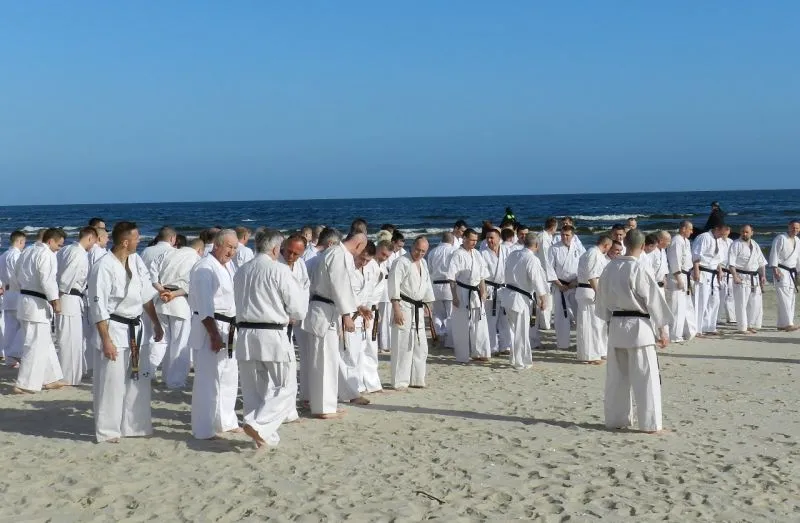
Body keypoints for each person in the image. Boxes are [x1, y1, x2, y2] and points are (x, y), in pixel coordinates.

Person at [88, 221, 163, 443]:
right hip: (113, 328)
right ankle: (107, 430)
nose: (140, 241)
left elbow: (145, 295)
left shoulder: (136, 260)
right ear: (125, 242)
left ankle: (134, 425)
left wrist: (156, 323)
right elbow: (98, 307)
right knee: (111, 383)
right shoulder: (103, 266)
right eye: (136, 238)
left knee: (137, 380)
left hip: (136, 328)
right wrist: (106, 340)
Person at [233, 229, 308, 449]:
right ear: (276, 248)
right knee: (286, 387)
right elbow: (298, 309)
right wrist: (289, 312)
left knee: (253, 388)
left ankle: (263, 436)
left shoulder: (241, 270)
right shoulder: (279, 270)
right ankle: (258, 424)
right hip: (272, 334)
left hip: (245, 334)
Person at [596, 230, 673, 434]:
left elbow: (601, 300)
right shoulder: (639, 268)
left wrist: (608, 318)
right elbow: (654, 300)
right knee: (646, 377)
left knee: (616, 378)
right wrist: (663, 330)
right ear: (642, 246)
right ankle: (650, 423)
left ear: (625, 243)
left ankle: (616, 419)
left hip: (616, 326)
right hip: (639, 328)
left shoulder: (609, 267)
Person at [305, 232, 367, 418]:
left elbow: (343, 287)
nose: (359, 254)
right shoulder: (338, 254)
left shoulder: (333, 253)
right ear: (359, 245)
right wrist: (347, 315)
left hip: (326, 309)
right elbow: (338, 286)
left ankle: (326, 404)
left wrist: (358, 305)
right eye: (361, 250)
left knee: (328, 360)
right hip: (324, 310)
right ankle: (323, 408)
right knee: (324, 361)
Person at [189, 229, 241, 439]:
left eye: (235, 248)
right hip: (210, 326)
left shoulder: (227, 266)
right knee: (208, 379)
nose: (232, 252)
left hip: (229, 326)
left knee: (228, 376)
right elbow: (204, 307)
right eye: (229, 247)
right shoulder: (205, 268)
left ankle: (226, 421)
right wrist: (214, 335)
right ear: (217, 245)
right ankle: (204, 428)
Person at [13, 228, 67, 393]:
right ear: (50, 241)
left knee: (45, 342)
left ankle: (51, 378)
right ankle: (24, 384)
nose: (59, 249)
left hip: (24, 300)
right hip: (37, 304)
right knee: (35, 344)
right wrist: (55, 300)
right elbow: (47, 280)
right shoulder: (47, 254)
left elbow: (16, 274)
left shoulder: (27, 251)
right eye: (59, 245)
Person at [151, 238, 203, 388]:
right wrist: (173, 294)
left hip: (161, 300)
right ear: (200, 250)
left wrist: (161, 290)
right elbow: (192, 285)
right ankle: (175, 381)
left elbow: (152, 275)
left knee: (162, 341)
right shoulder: (196, 258)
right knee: (180, 343)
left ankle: (154, 373)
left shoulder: (168, 253)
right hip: (179, 302)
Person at [389, 236, 435, 389]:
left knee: (420, 346)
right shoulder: (401, 262)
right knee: (402, 345)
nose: (419, 253)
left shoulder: (423, 263)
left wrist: (429, 304)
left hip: (418, 307)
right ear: (412, 246)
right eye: (417, 250)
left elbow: (426, 284)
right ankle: (400, 381)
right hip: (403, 306)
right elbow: (394, 286)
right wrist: (396, 309)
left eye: (423, 252)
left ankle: (417, 379)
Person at [499, 233, 549, 369]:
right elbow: (536, 280)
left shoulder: (513, 254)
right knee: (521, 331)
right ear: (537, 245)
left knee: (513, 330)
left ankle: (514, 359)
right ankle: (521, 362)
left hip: (508, 295)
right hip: (520, 299)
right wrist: (543, 298)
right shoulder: (531, 259)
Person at [55, 226, 97, 385]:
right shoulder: (78, 253)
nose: (93, 245)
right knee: (71, 340)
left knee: (67, 338)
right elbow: (66, 278)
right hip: (69, 297)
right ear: (90, 238)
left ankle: (68, 374)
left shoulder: (66, 249)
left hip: (68, 297)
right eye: (93, 241)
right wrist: (57, 297)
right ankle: (69, 377)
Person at [339, 241, 376, 401]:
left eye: (368, 260)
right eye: (362, 258)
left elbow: (369, 294)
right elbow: (342, 295)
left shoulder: (368, 270)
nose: (364, 262)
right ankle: (350, 393)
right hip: (347, 316)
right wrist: (346, 316)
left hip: (361, 316)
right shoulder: (346, 269)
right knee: (347, 356)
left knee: (358, 355)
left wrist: (367, 312)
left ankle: (356, 388)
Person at [447, 229, 491, 363]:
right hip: (462, 291)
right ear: (464, 238)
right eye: (471, 240)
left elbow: (482, 275)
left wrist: (483, 291)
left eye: (476, 240)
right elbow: (451, 278)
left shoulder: (477, 253)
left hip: (476, 293)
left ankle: (480, 352)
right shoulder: (457, 254)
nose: (474, 242)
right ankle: (462, 356)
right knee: (462, 324)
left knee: (480, 323)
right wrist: (454, 296)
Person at [575, 235, 612, 363]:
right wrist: (598, 293)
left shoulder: (595, 254)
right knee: (590, 324)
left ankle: (599, 351)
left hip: (591, 291)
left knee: (597, 324)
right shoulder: (593, 254)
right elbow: (592, 276)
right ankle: (590, 355)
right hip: (589, 292)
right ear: (606, 245)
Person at [549, 225, 586, 350]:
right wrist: (559, 284)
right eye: (562, 235)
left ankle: (582, 343)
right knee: (561, 316)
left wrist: (576, 281)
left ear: (573, 236)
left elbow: (584, 265)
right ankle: (563, 344)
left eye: (567, 235)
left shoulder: (578, 247)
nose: (564, 237)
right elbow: (549, 268)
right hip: (560, 285)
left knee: (579, 315)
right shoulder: (554, 248)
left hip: (575, 284)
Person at [728, 225, 766, 334]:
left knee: (755, 302)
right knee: (741, 303)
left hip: (754, 277)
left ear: (752, 233)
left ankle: (751, 325)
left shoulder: (755, 244)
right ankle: (742, 327)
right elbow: (731, 263)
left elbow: (761, 262)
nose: (744, 234)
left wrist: (763, 276)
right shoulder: (736, 244)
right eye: (742, 232)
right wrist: (735, 276)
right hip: (741, 276)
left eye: (746, 232)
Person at [481, 229, 511, 355]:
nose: (489, 240)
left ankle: (505, 346)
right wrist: (483, 291)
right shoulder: (483, 254)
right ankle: (492, 347)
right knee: (490, 320)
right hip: (490, 289)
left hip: (505, 288)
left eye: (492, 238)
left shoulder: (507, 251)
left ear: (499, 239)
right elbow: (481, 276)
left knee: (505, 319)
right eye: (487, 238)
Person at [666, 220, 697, 343]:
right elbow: (675, 261)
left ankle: (688, 332)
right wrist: (679, 279)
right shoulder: (676, 241)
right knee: (676, 307)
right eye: (690, 229)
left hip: (686, 275)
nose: (692, 232)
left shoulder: (686, 241)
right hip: (677, 276)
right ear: (683, 229)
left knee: (686, 305)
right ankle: (674, 335)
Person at [692, 224, 724, 337]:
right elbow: (696, 255)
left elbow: (718, 258)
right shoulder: (704, 237)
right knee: (701, 301)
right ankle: (697, 329)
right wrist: (696, 271)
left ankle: (710, 326)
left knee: (715, 301)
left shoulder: (718, 239)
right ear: (716, 228)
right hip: (703, 271)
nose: (722, 236)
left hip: (713, 273)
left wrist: (720, 270)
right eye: (721, 233)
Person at [768, 220, 800, 331]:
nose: (795, 230)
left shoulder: (798, 240)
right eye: (793, 227)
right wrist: (774, 268)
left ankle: (781, 324)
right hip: (781, 270)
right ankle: (788, 324)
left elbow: (798, 258)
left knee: (791, 297)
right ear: (788, 227)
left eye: (797, 228)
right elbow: (774, 253)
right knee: (784, 297)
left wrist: (798, 272)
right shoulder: (781, 238)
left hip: (792, 272)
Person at [427, 232, 456, 349]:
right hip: (450, 286)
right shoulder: (454, 251)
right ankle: (449, 341)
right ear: (452, 240)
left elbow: (429, 270)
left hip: (436, 286)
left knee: (438, 314)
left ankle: (439, 335)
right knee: (451, 314)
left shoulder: (433, 252)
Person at [0, 230, 26, 365]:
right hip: (17, 292)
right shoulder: (17, 255)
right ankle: (16, 354)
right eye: (24, 243)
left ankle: (10, 359)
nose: (24, 245)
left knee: (10, 328)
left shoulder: (3, 255)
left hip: (7, 293)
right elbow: (20, 275)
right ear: (20, 241)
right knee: (22, 325)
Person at [535, 217, 558, 331]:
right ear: (553, 227)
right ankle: (544, 324)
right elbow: (545, 259)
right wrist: (552, 275)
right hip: (544, 272)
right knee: (545, 297)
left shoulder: (545, 237)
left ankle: (543, 322)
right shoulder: (543, 238)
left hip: (545, 271)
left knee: (545, 297)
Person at [717, 225, 736, 325]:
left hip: (730, 271)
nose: (726, 233)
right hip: (721, 270)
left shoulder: (731, 242)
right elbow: (716, 258)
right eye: (725, 231)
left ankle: (731, 317)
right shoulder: (717, 241)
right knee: (721, 295)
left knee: (731, 294)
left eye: (728, 231)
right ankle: (717, 318)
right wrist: (719, 270)